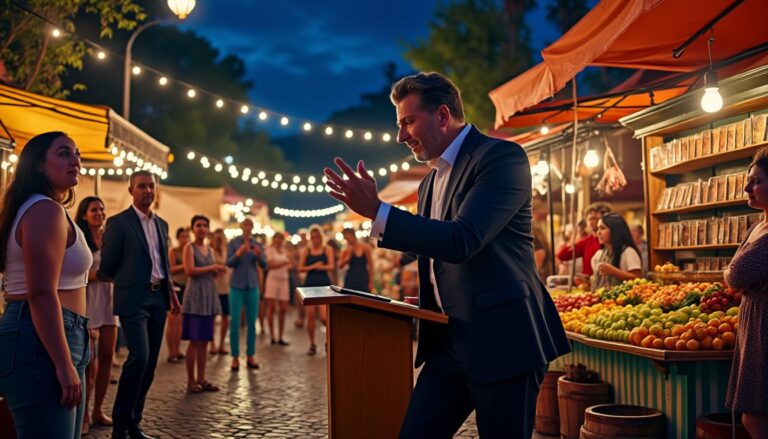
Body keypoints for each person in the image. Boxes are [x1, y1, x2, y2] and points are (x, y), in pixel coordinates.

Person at [324, 72, 570, 437]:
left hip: (505, 341)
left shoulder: (501, 157)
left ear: (442, 115)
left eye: (408, 122)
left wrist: (379, 211)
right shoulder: (429, 182)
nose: (400, 136)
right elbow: (432, 244)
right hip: (448, 342)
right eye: (399, 124)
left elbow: (462, 239)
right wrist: (433, 290)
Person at [0, 132, 92, 438]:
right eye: (64, 153)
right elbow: (40, 292)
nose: (75, 160)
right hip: (42, 336)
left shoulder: (49, 209)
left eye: (77, 153)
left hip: (59, 334)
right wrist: (64, 363)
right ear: (38, 164)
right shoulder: (44, 210)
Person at [98, 170, 180, 439]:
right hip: (133, 298)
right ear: (131, 190)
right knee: (139, 357)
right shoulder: (119, 223)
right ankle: (120, 425)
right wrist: (129, 279)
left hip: (159, 298)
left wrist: (171, 292)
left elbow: (163, 263)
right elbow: (108, 264)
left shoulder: (162, 224)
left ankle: (134, 422)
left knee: (150, 363)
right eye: (141, 186)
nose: (147, 191)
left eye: (151, 187)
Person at [725, 147, 768, 438]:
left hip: (765, 324)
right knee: (753, 415)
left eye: (756, 181)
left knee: (756, 416)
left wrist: (732, 277)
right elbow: (735, 276)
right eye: (748, 180)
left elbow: (736, 274)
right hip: (754, 323)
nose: (746, 188)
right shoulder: (757, 226)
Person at [76, 196, 118, 434]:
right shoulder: (80, 239)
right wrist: (96, 275)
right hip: (88, 302)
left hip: (110, 302)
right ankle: (82, 415)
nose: (99, 213)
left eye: (101, 209)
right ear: (84, 214)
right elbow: (74, 272)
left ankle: (98, 410)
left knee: (107, 359)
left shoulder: (109, 238)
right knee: (89, 365)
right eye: (94, 210)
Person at [181, 215, 224, 393]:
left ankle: (202, 378)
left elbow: (209, 272)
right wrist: (211, 268)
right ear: (193, 229)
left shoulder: (210, 250)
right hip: (195, 296)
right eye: (198, 225)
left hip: (208, 295)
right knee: (194, 340)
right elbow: (189, 271)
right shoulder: (189, 248)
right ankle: (191, 380)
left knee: (205, 340)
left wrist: (216, 272)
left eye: (205, 226)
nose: (202, 229)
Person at [226, 218, 266, 370]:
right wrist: (238, 253)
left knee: (252, 324)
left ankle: (250, 355)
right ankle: (235, 357)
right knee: (235, 322)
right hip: (236, 285)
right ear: (241, 227)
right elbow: (228, 263)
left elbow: (264, 264)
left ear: (253, 227)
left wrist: (258, 255)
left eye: (250, 225)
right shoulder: (234, 243)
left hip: (253, 286)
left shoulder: (257, 244)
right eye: (245, 224)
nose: (248, 227)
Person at [298, 225, 334, 356]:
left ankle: (328, 341)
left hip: (324, 285)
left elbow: (331, 266)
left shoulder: (327, 249)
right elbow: (300, 268)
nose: (315, 239)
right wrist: (313, 266)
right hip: (310, 286)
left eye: (317, 237)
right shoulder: (306, 250)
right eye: (313, 237)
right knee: (311, 317)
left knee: (324, 317)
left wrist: (321, 267)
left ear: (321, 236)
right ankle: (312, 343)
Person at [556, 202, 612, 283]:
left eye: (595, 219)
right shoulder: (586, 241)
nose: (592, 222)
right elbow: (562, 254)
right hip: (590, 287)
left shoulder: (612, 241)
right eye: (590, 219)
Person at [591, 213, 642, 290]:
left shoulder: (628, 252)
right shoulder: (598, 255)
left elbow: (637, 278)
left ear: (615, 230)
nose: (598, 232)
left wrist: (613, 271)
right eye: (598, 229)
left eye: (602, 228)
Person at [264, 232, 292, 345]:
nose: (279, 240)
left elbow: (291, 265)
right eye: (277, 238)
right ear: (274, 239)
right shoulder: (270, 250)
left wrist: (287, 264)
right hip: (272, 280)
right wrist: (284, 263)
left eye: (281, 238)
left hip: (284, 280)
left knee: (283, 309)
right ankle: (272, 335)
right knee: (271, 308)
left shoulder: (285, 251)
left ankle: (280, 335)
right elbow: (269, 265)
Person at [166, 227, 189, 362]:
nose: (185, 239)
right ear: (178, 238)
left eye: (187, 236)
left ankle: (178, 349)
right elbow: (171, 269)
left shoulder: (189, 250)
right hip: (176, 286)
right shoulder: (173, 251)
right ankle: (171, 352)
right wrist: (185, 265)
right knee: (172, 320)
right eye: (183, 236)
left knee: (180, 321)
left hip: (187, 287)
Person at [209, 229, 230, 355]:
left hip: (224, 287)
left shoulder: (225, 251)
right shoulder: (209, 250)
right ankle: (212, 343)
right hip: (213, 287)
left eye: (221, 238)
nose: (219, 240)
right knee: (212, 316)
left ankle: (222, 343)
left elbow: (228, 265)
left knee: (225, 316)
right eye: (217, 238)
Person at [340, 228, 374, 292]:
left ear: (352, 235)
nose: (346, 240)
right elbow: (340, 266)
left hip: (363, 277)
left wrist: (371, 282)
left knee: (363, 299)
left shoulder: (365, 247)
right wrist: (348, 258)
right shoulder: (345, 249)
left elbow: (370, 265)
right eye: (345, 238)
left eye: (346, 238)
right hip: (350, 277)